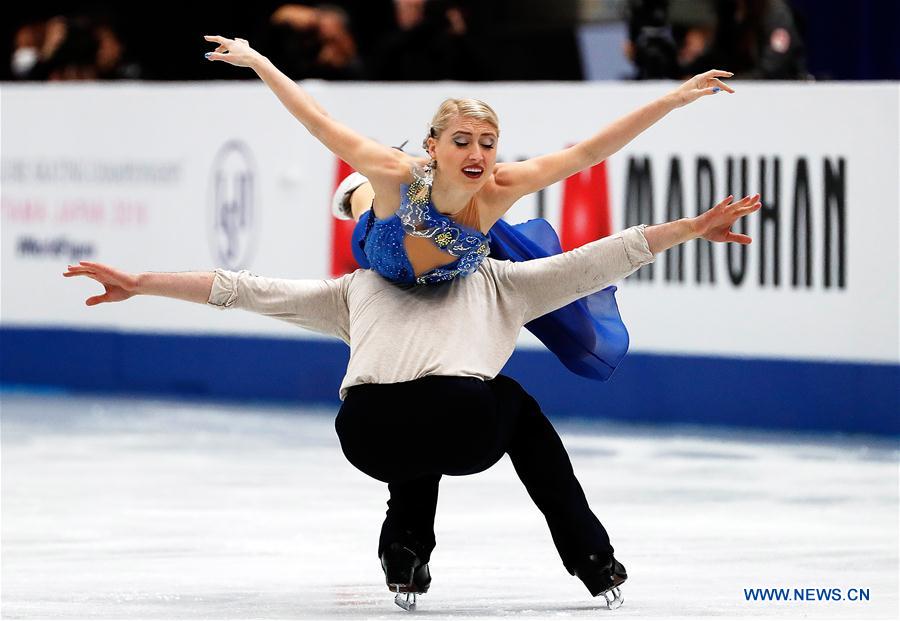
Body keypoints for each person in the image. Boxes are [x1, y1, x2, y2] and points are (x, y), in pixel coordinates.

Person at [63, 193, 761, 610]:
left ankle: (404, 550)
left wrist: (142, 281)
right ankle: (593, 558)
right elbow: (606, 257)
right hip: (460, 423)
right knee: (507, 402)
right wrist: (691, 228)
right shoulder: (506, 280)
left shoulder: (352, 289)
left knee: (413, 409)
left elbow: (238, 288)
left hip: (364, 431)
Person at [202, 34, 736, 381]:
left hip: (449, 254)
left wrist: (674, 98)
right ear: (433, 145)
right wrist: (258, 61)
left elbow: (589, 151)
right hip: (378, 247)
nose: (478, 153)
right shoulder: (398, 171)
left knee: (482, 235)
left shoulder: (501, 185)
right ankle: (355, 192)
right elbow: (318, 120)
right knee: (379, 187)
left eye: (487, 141)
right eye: (461, 141)